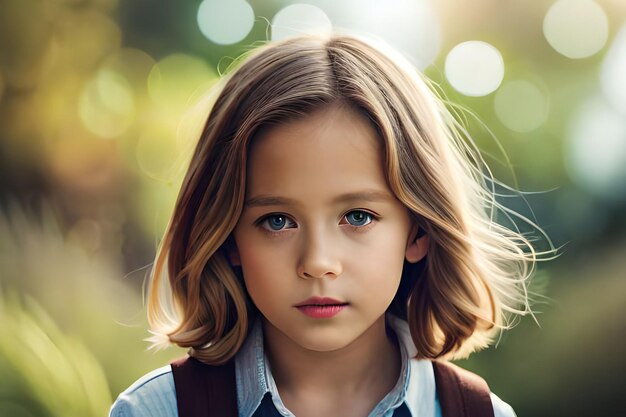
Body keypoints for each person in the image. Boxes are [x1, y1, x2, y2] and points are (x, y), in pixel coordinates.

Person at [110, 33, 549, 417]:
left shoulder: (481, 414)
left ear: (419, 231)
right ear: (227, 239)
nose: (318, 263)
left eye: (358, 217)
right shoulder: (155, 411)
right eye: (277, 221)